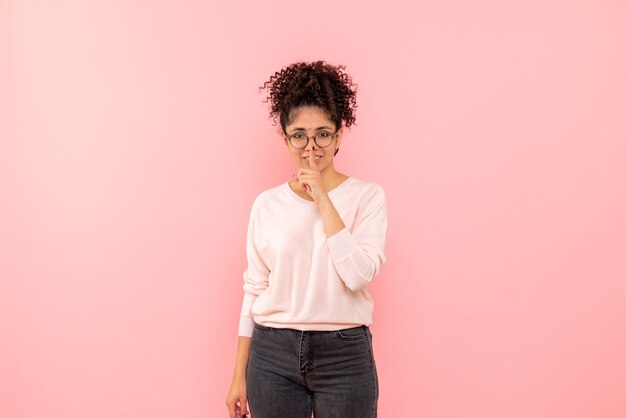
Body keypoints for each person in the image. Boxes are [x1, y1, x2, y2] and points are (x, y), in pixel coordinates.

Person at [226, 60, 388, 418]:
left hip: (344, 355)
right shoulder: (266, 204)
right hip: (272, 354)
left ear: (339, 135)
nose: (311, 145)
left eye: (322, 133)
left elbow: (358, 275)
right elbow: (254, 288)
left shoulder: (367, 197)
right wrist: (239, 375)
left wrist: (323, 198)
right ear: (284, 138)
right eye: (299, 134)